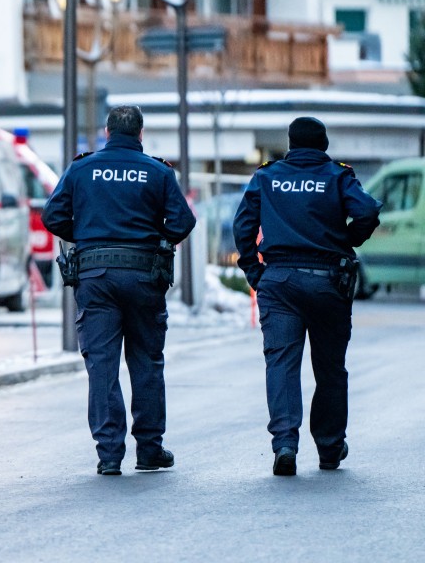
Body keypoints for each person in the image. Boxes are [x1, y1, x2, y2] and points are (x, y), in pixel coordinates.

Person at [42, 105, 196, 475]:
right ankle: (149, 449)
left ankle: (109, 454)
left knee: (102, 366)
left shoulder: (81, 169)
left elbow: (52, 216)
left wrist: (88, 236)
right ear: (141, 133)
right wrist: (155, 239)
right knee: (146, 362)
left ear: (107, 132)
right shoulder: (158, 171)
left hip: (95, 275)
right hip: (144, 275)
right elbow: (183, 221)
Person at [233, 117, 382, 476]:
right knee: (330, 367)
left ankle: (285, 444)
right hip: (327, 281)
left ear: (291, 144)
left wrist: (256, 272)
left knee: (281, 364)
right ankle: (330, 448)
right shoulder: (337, 175)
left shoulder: (267, 176)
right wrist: (348, 240)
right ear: (323, 144)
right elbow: (367, 210)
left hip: (279, 281)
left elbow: (242, 226)